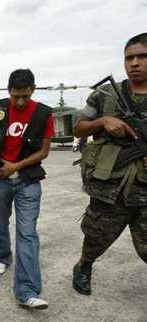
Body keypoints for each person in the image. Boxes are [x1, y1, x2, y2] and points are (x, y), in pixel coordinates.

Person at [72, 32, 147, 296]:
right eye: (129, 57)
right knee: (96, 237)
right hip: (110, 185)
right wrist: (103, 122)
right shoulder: (106, 95)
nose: (134, 63)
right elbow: (79, 128)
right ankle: (84, 266)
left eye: (142, 56)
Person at [0, 69, 54, 310]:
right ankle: (2, 256)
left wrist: (16, 166)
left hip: (28, 181)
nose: (20, 101)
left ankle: (27, 291)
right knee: (1, 223)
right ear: (8, 91)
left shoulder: (44, 113)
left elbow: (44, 151)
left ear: (33, 89)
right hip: (0, 180)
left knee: (27, 233)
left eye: (25, 95)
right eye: (15, 96)